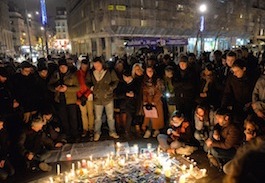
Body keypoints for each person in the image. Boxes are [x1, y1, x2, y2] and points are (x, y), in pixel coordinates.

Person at [86, 57, 119, 141]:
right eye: (95, 65)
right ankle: (97, 132)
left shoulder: (109, 71)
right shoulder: (91, 73)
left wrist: (110, 88)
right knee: (98, 118)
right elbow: (87, 81)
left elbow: (115, 81)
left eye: (98, 65)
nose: (96, 66)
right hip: (97, 98)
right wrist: (92, 87)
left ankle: (112, 131)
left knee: (110, 117)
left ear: (102, 64)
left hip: (108, 97)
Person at [48, 58, 80, 142]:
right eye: (61, 67)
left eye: (64, 67)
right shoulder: (56, 75)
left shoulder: (72, 75)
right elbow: (49, 85)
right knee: (64, 118)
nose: (62, 69)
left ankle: (75, 134)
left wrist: (67, 88)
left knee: (73, 118)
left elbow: (77, 87)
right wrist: (56, 88)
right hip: (60, 100)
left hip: (70, 100)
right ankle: (67, 135)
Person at [142, 66, 164, 138]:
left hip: (156, 102)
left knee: (156, 116)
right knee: (149, 116)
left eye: (151, 71)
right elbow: (144, 91)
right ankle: (149, 130)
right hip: (148, 101)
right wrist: (145, 100)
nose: (149, 72)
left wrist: (154, 101)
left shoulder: (158, 80)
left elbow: (159, 91)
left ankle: (156, 129)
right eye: (148, 71)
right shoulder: (144, 81)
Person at [76, 59, 94, 139]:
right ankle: (85, 128)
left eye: (86, 66)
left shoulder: (90, 73)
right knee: (83, 114)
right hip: (81, 96)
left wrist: (85, 95)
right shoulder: (77, 73)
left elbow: (91, 85)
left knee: (90, 112)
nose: (84, 68)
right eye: (83, 66)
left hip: (89, 95)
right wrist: (80, 96)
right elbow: (76, 85)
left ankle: (91, 128)